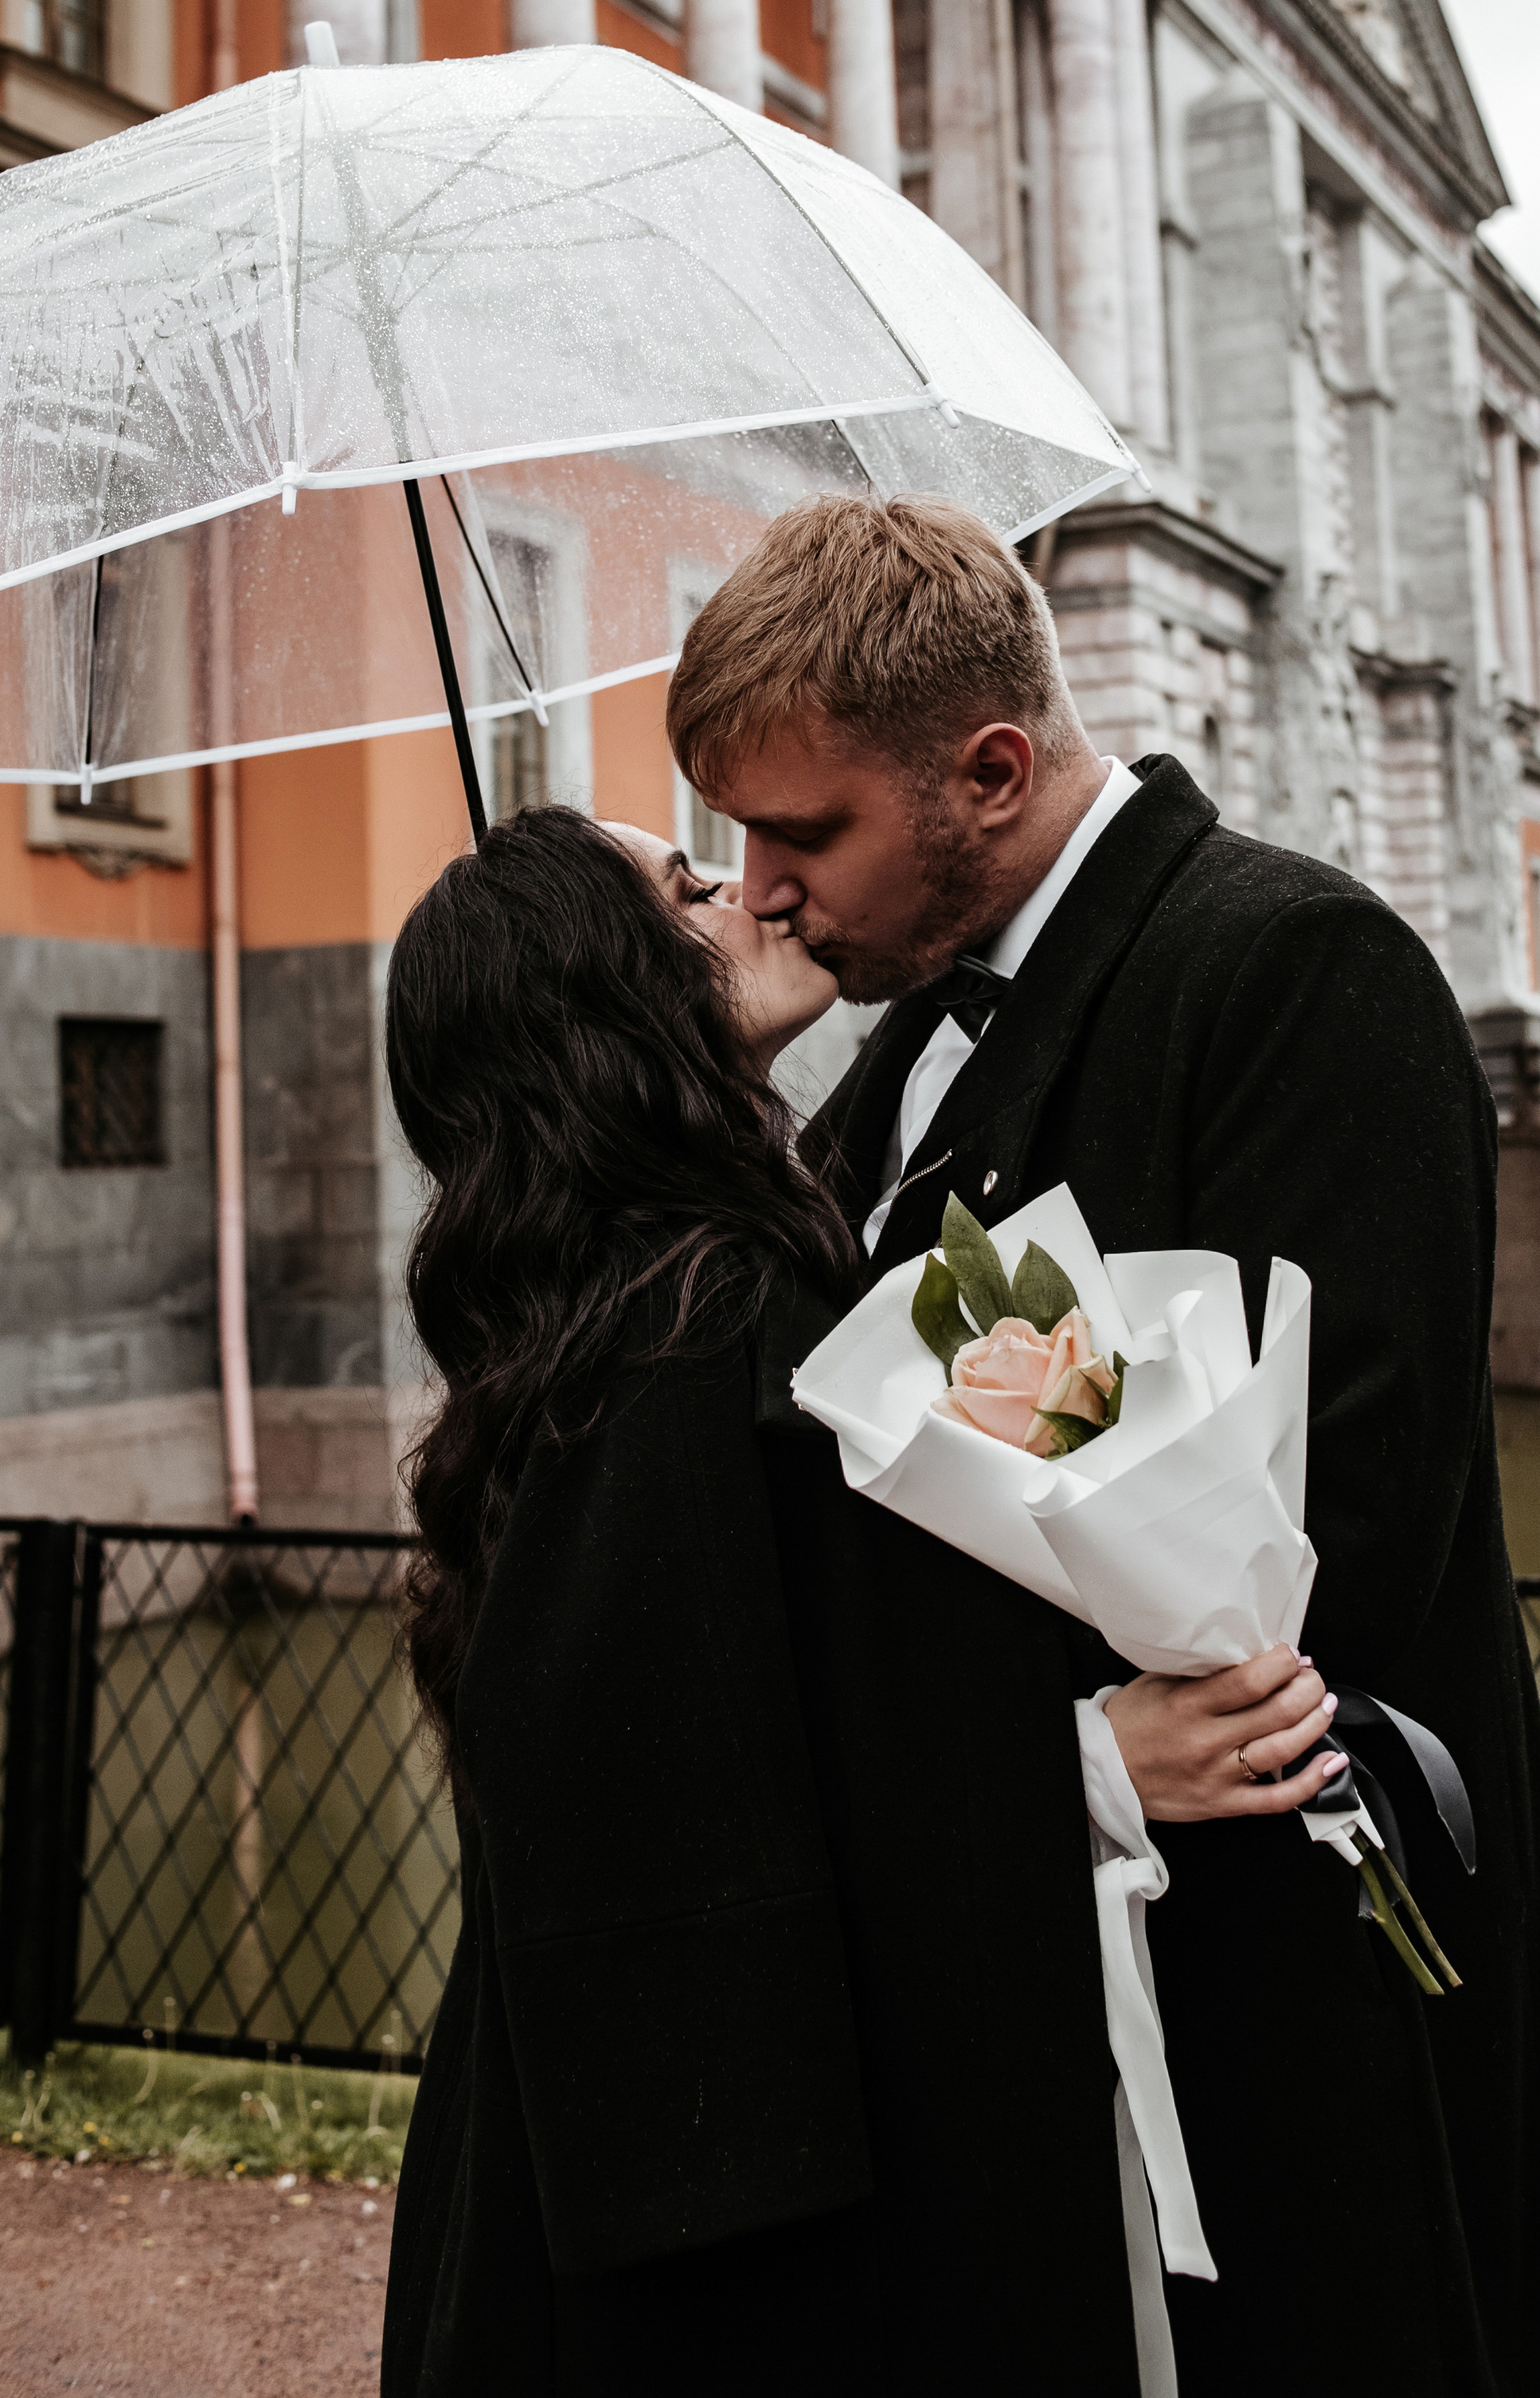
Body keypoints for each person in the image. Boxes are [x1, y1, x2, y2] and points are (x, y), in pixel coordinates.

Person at [665, 491, 1540, 2398]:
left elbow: (1340, 1523)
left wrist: (987, 1763)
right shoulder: (885, 1041)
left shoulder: (1296, 967)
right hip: (1069, 1997)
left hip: (1298, 2005)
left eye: (802, 833)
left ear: (988, 768)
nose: (762, 889)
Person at [377, 798, 1343, 2397]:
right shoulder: (679, 1330)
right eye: (684, 886)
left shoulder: (674, 1291)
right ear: (597, 990)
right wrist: (1085, 1770)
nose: (748, 887)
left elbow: (794, 1692)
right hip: (727, 2223)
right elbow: (663, 1827)